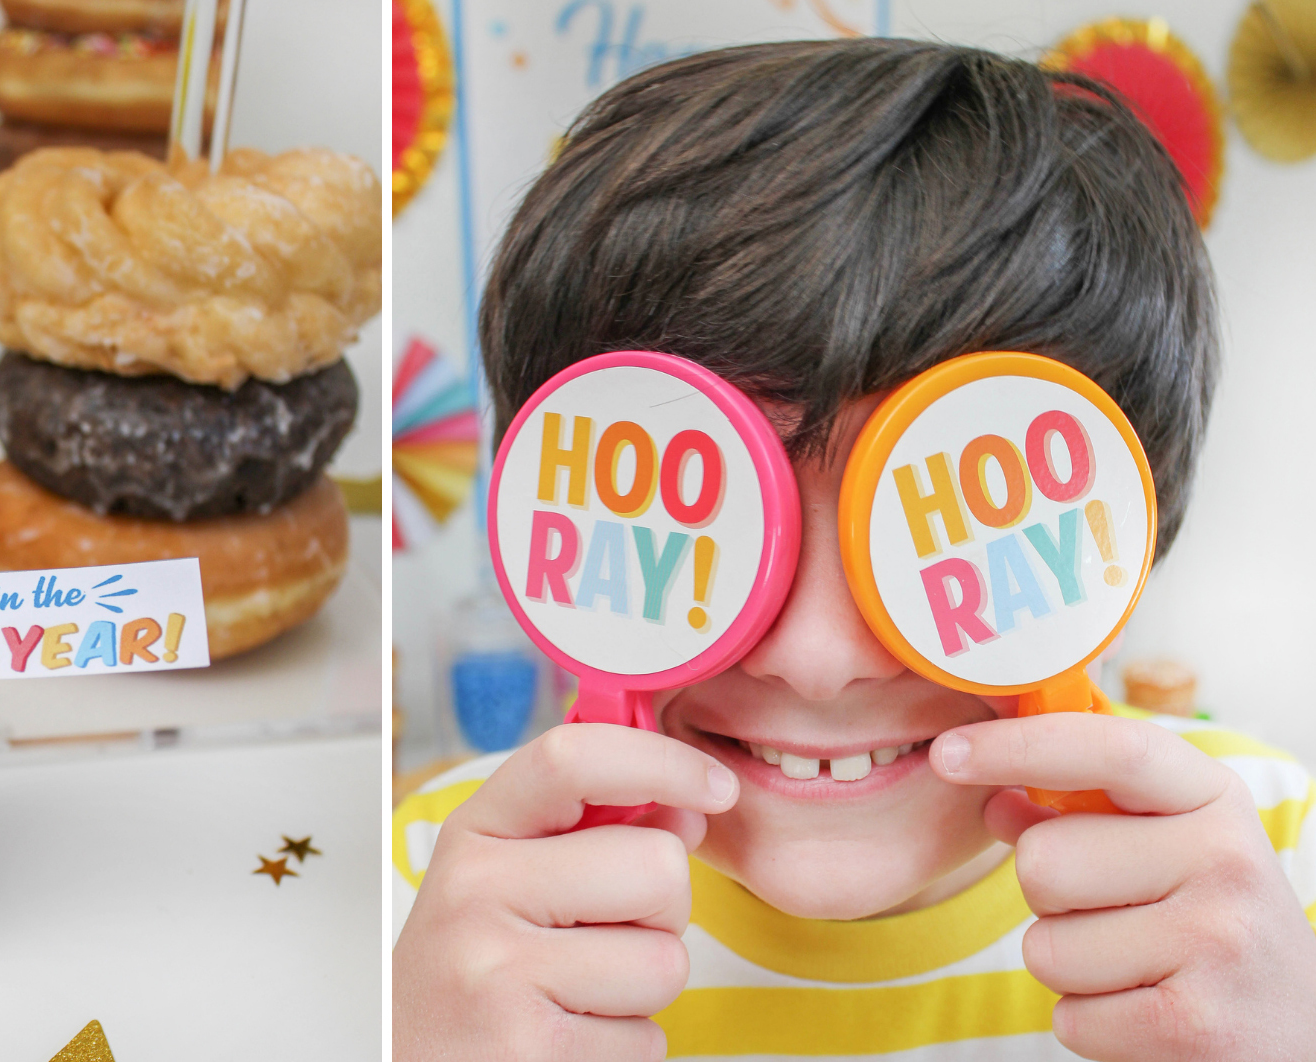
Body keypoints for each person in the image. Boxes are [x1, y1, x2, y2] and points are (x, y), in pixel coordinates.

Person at [392, 38, 1316, 1060]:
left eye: (927, 518)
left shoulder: (1277, 869)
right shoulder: (430, 902)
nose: (816, 659)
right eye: (717, 522)